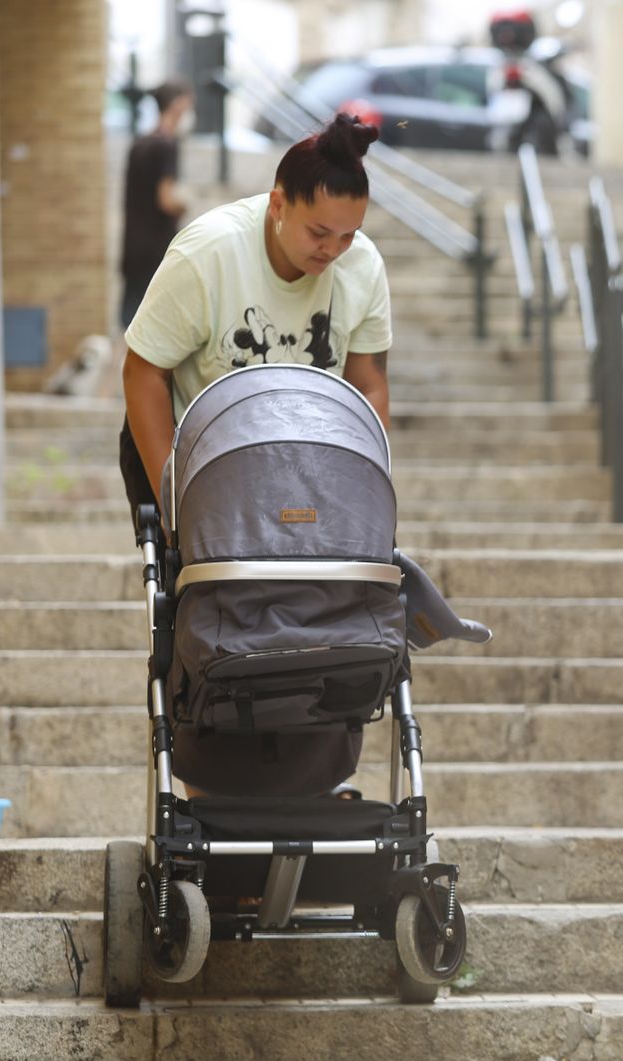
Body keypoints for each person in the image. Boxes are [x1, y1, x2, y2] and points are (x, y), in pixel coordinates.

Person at [120, 113, 393, 797]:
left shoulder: (361, 267)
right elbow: (142, 372)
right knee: (210, 623)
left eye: (348, 235)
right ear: (278, 205)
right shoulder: (208, 253)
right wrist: (172, 496)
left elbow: (369, 381)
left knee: (319, 617)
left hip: (312, 468)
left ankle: (310, 791)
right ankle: (207, 802)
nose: (332, 249)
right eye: (317, 232)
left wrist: (371, 488)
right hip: (207, 464)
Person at [119, 80, 193, 328]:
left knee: (128, 322)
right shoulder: (166, 145)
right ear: (177, 105)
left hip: (133, 246)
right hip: (156, 248)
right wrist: (185, 207)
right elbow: (166, 200)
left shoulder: (140, 143)